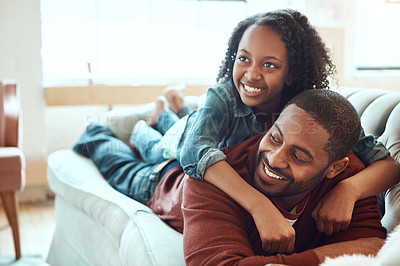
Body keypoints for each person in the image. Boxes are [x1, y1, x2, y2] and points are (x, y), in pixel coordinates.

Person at [125, 8, 400, 252]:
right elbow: (193, 153)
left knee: (178, 125)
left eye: (269, 65)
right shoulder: (224, 97)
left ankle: (174, 105)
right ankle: (154, 118)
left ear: (292, 73)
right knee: (157, 146)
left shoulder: (311, 108)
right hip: (183, 148)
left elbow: (388, 165)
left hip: (200, 132)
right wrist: (259, 205)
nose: (252, 74)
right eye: (244, 59)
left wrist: (348, 190)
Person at [74, 89, 387, 265]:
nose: (274, 159)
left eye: (298, 155)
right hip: (164, 184)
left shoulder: (348, 181)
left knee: (170, 136)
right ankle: (101, 131)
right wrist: (323, 255)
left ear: (335, 168)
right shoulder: (209, 179)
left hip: (182, 158)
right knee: (117, 160)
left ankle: (165, 115)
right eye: (275, 138)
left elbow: (370, 246)